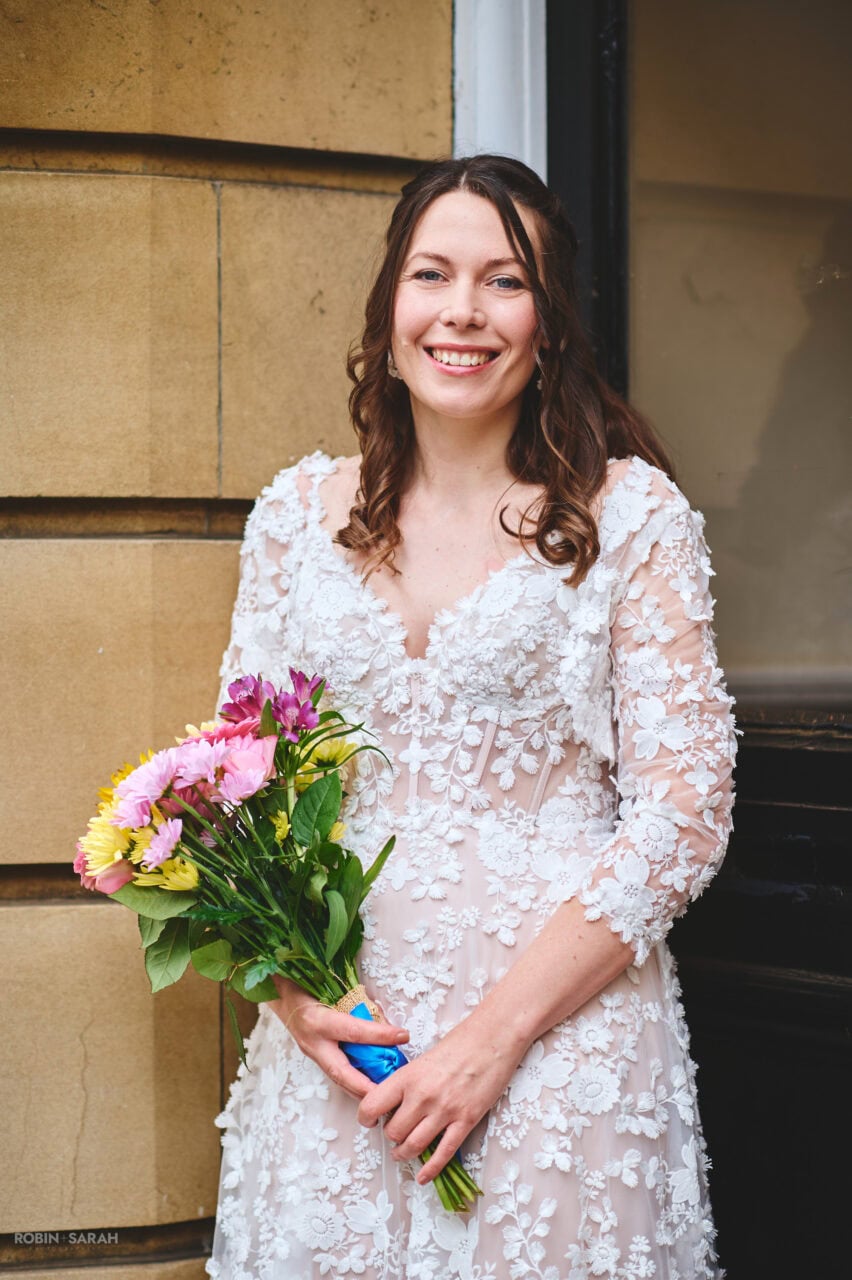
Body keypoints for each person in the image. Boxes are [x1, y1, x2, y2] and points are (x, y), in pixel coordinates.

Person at [207, 154, 736, 1280]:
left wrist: (490, 1042)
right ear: (387, 306)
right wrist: (294, 989)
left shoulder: (630, 514)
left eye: (504, 281)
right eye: (432, 274)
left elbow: (684, 815)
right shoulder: (296, 516)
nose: (462, 311)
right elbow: (236, 783)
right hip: (344, 1043)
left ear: (549, 324)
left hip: (555, 1042)